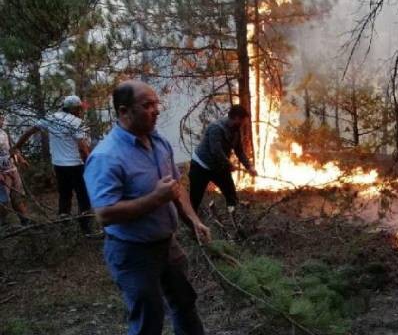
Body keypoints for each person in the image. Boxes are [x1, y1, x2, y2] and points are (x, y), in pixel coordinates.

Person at [84, 80, 211, 335]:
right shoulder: (106, 156)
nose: (156, 110)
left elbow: (176, 188)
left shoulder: (159, 142)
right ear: (123, 111)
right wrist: (155, 198)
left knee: (185, 303)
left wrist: (193, 220)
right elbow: (104, 214)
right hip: (133, 252)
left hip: (168, 244)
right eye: (147, 105)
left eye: (156, 104)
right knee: (148, 319)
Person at [13, 95, 94, 234]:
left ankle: (65, 227)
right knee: (83, 196)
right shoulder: (76, 122)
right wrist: (91, 164)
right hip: (76, 165)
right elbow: (82, 147)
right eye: (79, 108)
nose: (81, 111)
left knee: (64, 195)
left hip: (59, 165)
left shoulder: (51, 118)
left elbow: (29, 131)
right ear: (74, 109)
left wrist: (16, 147)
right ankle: (87, 230)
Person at [189, 105, 257, 214]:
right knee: (195, 199)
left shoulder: (236, 131)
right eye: (242, 121)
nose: (243, 124)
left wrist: (249, 167)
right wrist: (229, 164)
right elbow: (216, 151)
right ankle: (192, 224)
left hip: (219, 167)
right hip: (201, 166)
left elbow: (239, 151)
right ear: (236, 118)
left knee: (231, 195)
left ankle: (234, 219)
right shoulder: (215, 128)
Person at [0, 113, 31, 226]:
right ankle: (3, 224)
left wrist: (21, 159)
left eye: (2, 118)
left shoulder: (4, 133)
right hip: (2, 173)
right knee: (4, 200)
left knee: (17, 196)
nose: (2, 120)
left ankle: (25, 220)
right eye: (0, 118)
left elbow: (12, 149)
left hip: (12, 169)